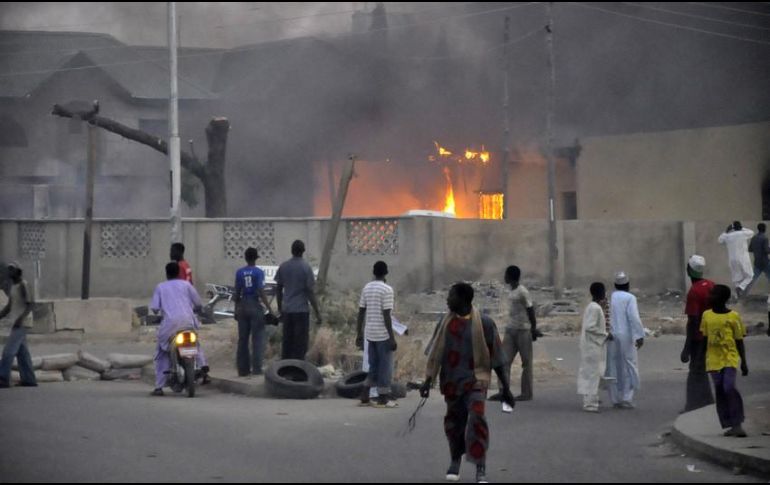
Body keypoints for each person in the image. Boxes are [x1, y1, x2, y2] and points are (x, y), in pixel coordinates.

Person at [420, 283, 515, 484]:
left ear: (463, 299)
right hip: (452, 382)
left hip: (476, 380)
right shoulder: (445, 323)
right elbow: (435, 355)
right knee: (454, 424)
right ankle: (455, 460)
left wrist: (506, 389)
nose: (447, 300)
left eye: (451, 296)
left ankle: (480, 466)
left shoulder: (485, 324)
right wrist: (427, 381)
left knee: (477, 419)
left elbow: (497, 359)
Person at [149, 262, 205, 396]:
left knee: (162, 352)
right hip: (188, 322)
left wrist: (158, 313)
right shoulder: (187, 285)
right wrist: (197, 310)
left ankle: (159, 387)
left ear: (166, 273)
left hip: (170, 326)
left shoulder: (161, 287)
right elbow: (198, 303)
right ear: (179, 273)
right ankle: (203, 366)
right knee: (196, 344)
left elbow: (155, 308)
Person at [701, 285, 749, 437]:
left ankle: (738, 423)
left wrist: (744, 362)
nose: (709, 297)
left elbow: (739, 340)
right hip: (713, 360)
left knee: (728, 387)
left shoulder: (733, 316)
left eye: (713, 294)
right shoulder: (706, 315)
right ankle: (730, 423)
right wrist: (701, 359)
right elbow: (705, 339)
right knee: (720, 390)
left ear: (722, 298)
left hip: (730, 358)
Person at [490, 265, 540, 403]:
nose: (504, 277)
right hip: (511, 329)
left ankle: (526, 393)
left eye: (506, 275)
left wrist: (533, 329)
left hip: (523, 330)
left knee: (526, 363)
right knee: (503, 361)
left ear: (511, 276)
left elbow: (530, 310)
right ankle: (502, 391)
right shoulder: (511, 291)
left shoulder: (522, 291)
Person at [355, 261, 397, 408]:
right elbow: (386, 315)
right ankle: (383, 398)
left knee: (373, 366)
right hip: (382, 334)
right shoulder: (387, 290)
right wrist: (392, 338)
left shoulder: (366, 288)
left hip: (370, 333)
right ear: (386, 273)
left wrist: (359, 334)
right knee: (385, 367)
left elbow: (361, 312)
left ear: (373, 272)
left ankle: (365, 394)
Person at [275, 240, 322, 360]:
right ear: (303, 251)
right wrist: (317, 312)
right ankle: (298, 367)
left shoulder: (283, 266)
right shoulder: (306, 268)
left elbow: (278, 289)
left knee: (287, 342)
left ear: (292, 251)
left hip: (287, 310)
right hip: (301, 311)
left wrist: (280, 308)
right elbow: (310, 292)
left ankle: (285, 367)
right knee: (300, 344)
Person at [680, 255, 715, 413]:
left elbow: (692, 321)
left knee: (695, 370)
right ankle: (707, 400)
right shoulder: (711, 285)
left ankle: (692, 405)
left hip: (699, 338)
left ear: (689, 270)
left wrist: (686, 348)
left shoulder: (694, 292)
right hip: (712, 335)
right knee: (702, 369)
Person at [606, 271, 645, 409]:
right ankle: (626, 398)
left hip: (612, 335)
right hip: (626, 335)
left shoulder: (611, 297)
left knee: (613, 365)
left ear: (615, 285)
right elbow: (633, 317)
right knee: (629, 364)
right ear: (628, 285)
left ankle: (615, 398)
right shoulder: (630, 298)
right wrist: (640, 335)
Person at [233, 248, 275, 377]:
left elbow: (236, 293)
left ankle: (243, 370)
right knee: (257, 338)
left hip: (242, 305)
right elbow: (261, 291)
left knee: (243, 339)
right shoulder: (259, 272)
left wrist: (236, 309)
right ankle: (256, 368)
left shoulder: (239, 272)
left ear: (245, 258)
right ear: (256, 258)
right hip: (254, 305)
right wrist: (269, 309)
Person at [0, 262, 37, 388]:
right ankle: (29, 380)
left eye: (12, 269)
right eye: (9, 269)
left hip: (22, 323)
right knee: (23, 354)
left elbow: (31, 304)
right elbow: (9, 306)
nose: (9, 272)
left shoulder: (23, 285)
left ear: (18, 271)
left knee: (8, 352)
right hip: (16, 322)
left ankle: (3, 379)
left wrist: (21, 318)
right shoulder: (13, 287)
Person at [577, 282, 610, 413]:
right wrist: (605, 335)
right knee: (592, 375)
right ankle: (590, 403)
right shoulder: (595, 308)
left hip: (592, 345)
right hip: (593, 346)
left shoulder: (592, 307)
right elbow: (590, 327)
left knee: (593, 373)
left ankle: (592, 398)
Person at [718, 222, 755, 299]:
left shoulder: (728, 236)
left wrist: (726, 231)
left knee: (736, 278)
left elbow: (720, 240)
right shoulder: (743, 233)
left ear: (733, 228)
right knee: (750, 276)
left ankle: (738, 294)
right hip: (743, 259)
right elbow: (752, 232)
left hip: (732, 259)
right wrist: (742, 228)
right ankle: (740, 287)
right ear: (740, 227)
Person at [746, 223, 770, 295]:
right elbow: (766, 250)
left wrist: (757, 249)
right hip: (765, 263)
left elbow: (750, 249)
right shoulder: (765, 238)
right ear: (765, 229)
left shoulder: (754, 238)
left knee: (752, 280)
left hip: (757, 262)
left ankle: (744, 294)